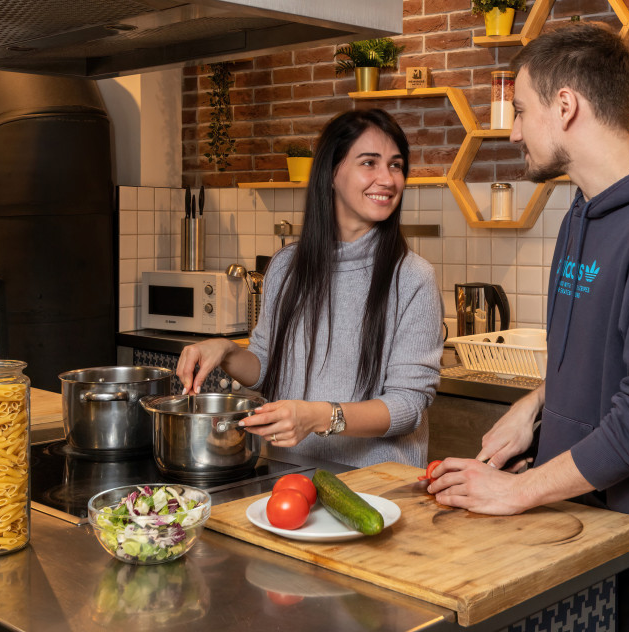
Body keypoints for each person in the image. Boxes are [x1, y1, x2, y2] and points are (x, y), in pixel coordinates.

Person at [428, 24, 629, 632]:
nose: (513, 130)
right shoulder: (582, 213)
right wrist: (536, 407)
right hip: (589, 529)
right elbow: (602, 353)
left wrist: (517, 491)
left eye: (521, 110)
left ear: (565, 106)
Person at [177, 108, 443, 468]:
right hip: (288, 473)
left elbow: (408, 407)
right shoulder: (286, 266)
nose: (388, 179)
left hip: (374, 488)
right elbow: (265, 365)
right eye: (369, 163)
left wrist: (319, 417)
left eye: (396, 165)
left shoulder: (412, 278)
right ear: (332, 173)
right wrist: (225, 352)